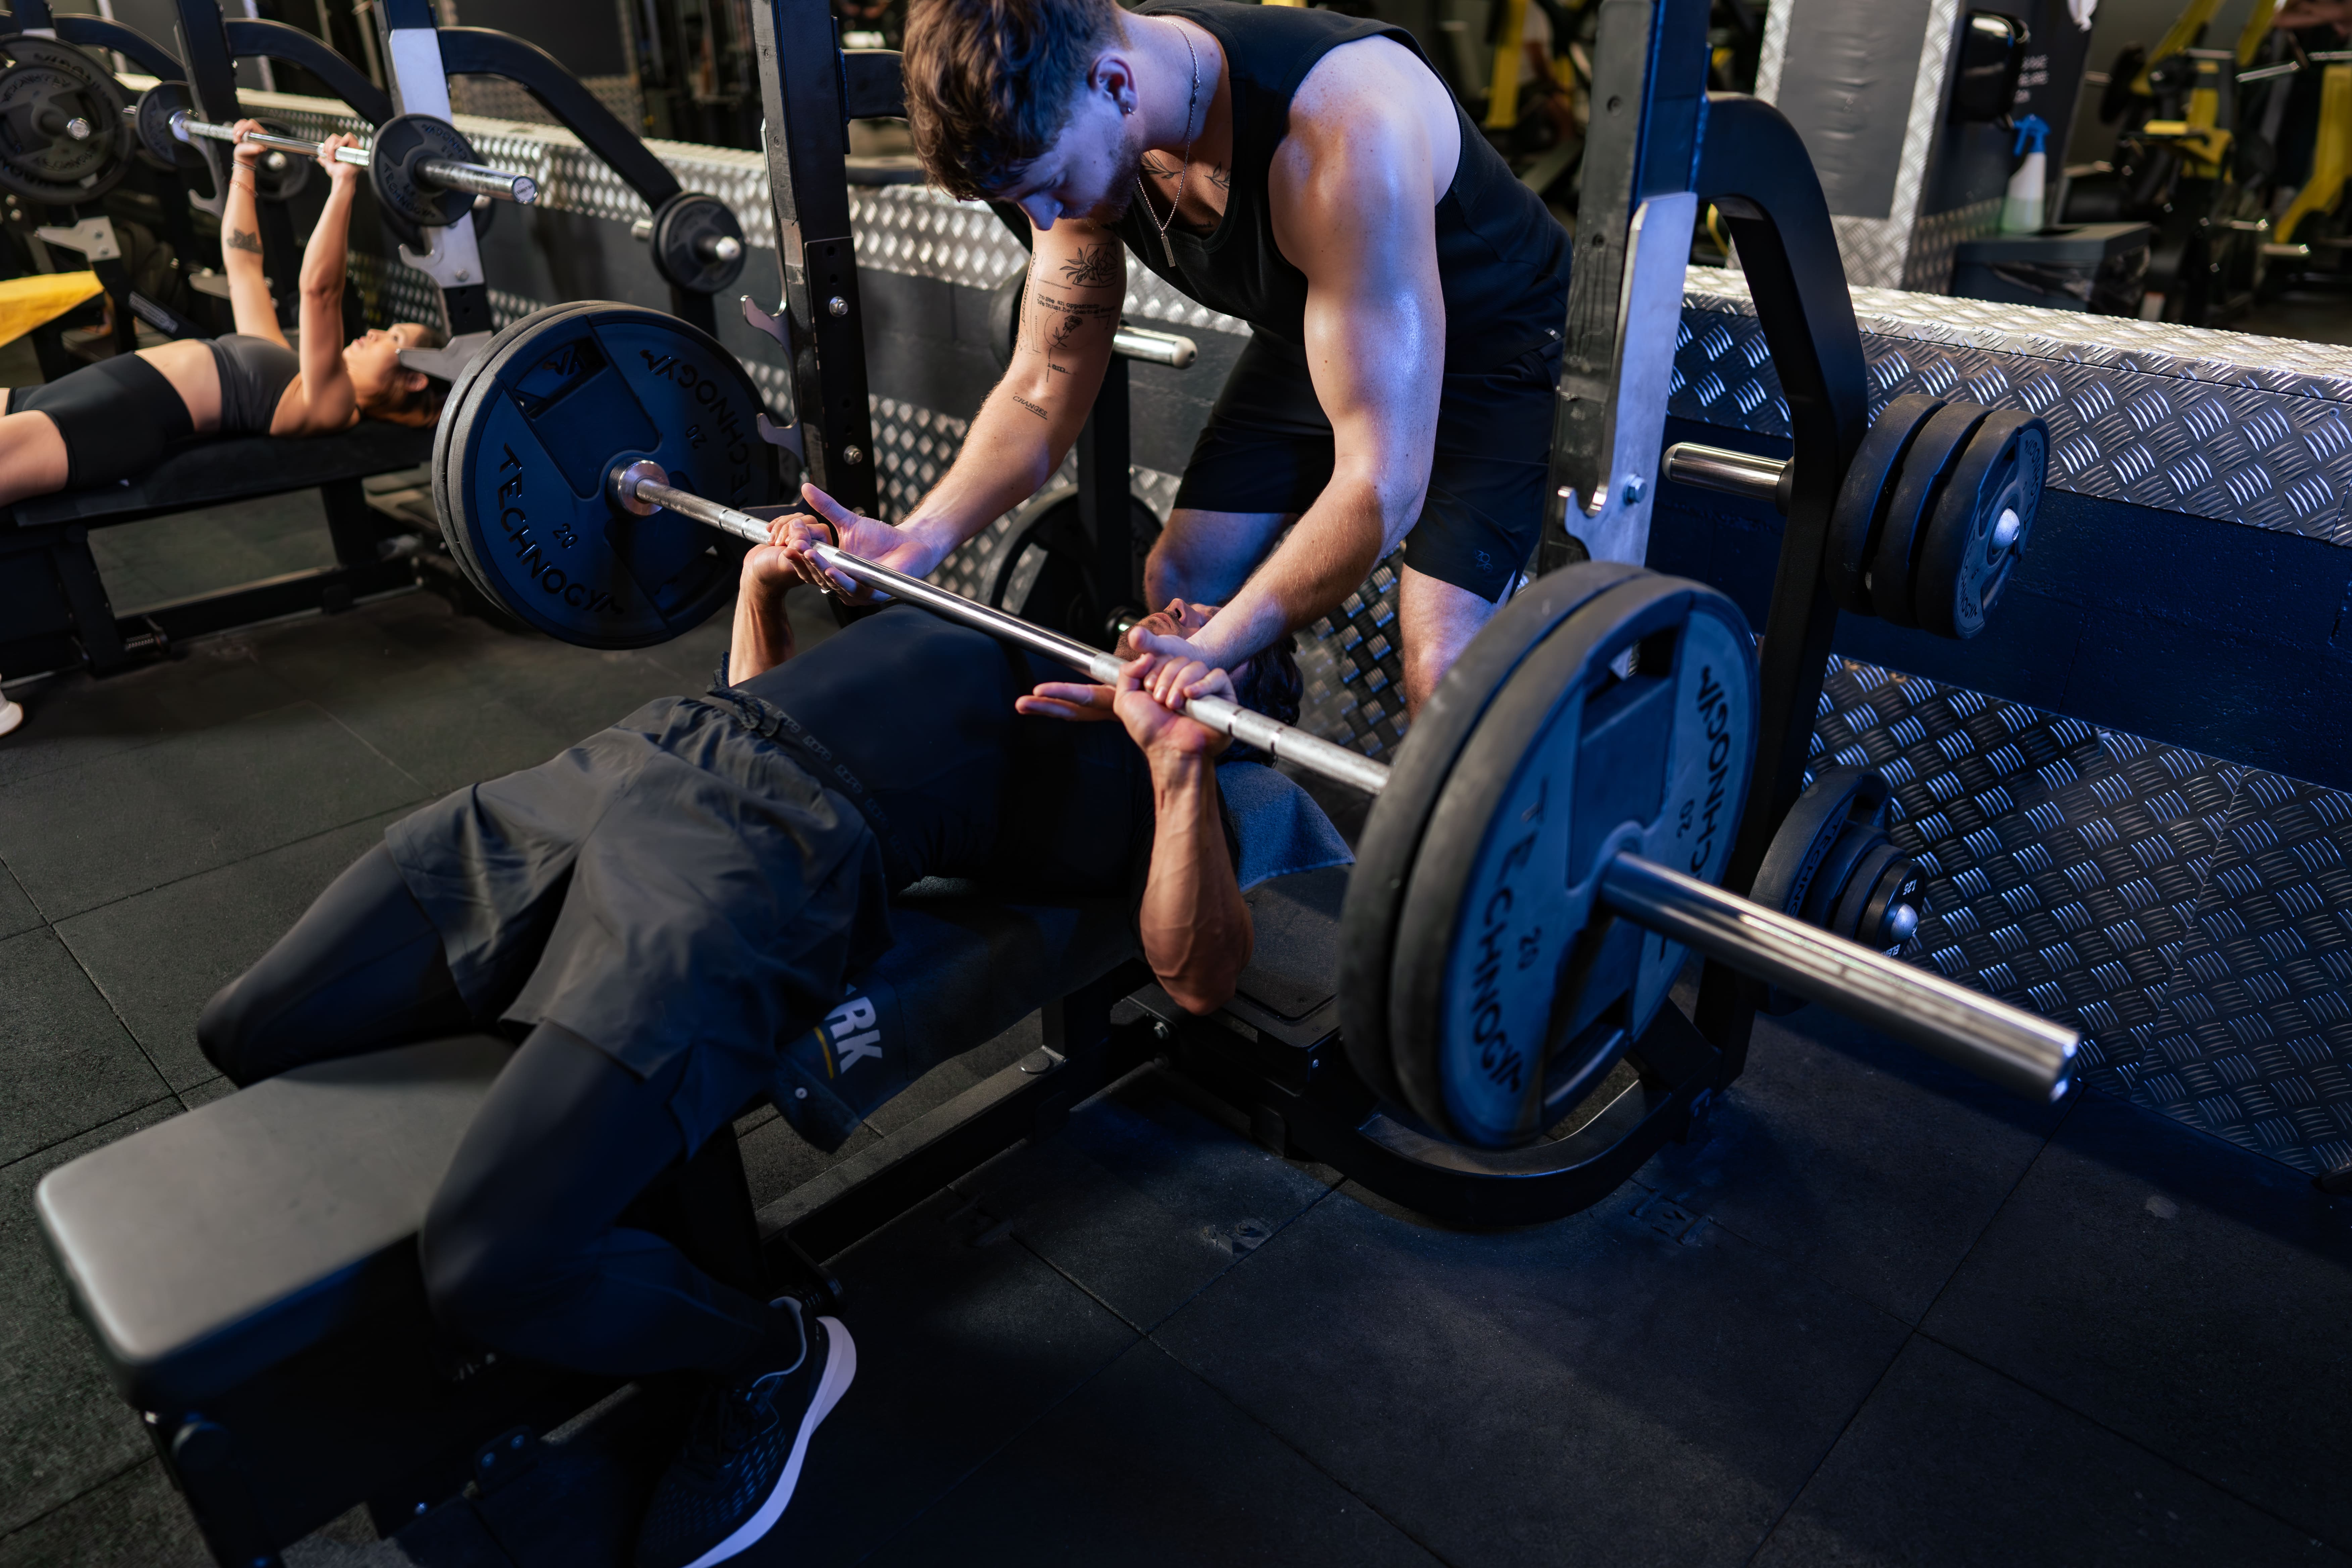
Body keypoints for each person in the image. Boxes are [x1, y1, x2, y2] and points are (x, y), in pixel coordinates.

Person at [193, 520, 1317, 1568]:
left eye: (1212, 622)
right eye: (1175, 603)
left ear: (1235, 697)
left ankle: (766, 1354)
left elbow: (1197, 973)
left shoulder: (1157, 780)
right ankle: (589, 1175)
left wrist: (1176, 766)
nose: (1172, 610)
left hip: (759, 861)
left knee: (493, 1266)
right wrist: (760, 584)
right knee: (253, 1027)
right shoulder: (1013, 637)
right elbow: (760, 694)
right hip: (632, 762)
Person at [773, 0, 1571, 718]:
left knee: (1441, 669)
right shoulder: (1081, 115)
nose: (1046, 220)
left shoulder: (1341, 132)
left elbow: (1381, 482)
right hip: (1320, 325)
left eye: (1050, 186)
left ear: (1117, 83)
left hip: (1491, 345)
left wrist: (1217, 645)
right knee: (1180, 583)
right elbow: (1041, 390)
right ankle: (1234, 807)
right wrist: (922, 539)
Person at [0, 120, 445, 507]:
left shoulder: (332, 406)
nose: (375, 332)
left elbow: (320, 293)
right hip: (66, 394)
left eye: (394, 338)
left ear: (413, 378)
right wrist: (244, 165)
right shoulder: (282, 366)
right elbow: (243, 267)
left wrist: (343, 185)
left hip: (109, 420)